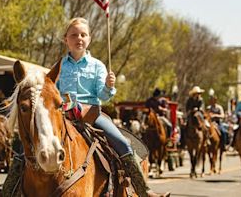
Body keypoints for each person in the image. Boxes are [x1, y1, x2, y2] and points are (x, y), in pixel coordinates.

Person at [57, 17, 169, 197]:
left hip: (92, 114)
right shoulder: (59, 66)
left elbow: (103, 96)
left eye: (83, 35)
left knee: (123, 143)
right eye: (74, 35)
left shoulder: (97, 66)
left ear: (89, 39)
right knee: (31, 142)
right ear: (66, 39)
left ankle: (143, 190)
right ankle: (11, 188)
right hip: (63, 116)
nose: (79, 38)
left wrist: (108, 87)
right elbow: (52, 92)